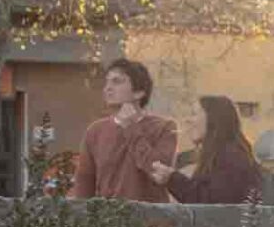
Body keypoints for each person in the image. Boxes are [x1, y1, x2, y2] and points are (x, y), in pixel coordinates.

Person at [69, 58, 177, 202]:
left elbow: (158, 173)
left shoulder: (164, 127)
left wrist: (131, 127)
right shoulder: (95, 131)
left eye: (117, 81)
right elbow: (84, 186)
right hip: (109, 220)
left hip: (151, 219)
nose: (107, 88)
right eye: (107, 82)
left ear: (139, 92)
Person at [144, 94, 264, 205]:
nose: (188, 120)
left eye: (194, 113)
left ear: (213, 118)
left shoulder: (231, 157)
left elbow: (210, 203)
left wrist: (172, 179)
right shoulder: (222, 154)